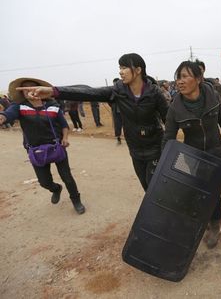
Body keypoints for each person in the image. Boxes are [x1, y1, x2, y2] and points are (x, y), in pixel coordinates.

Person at [17, 53, 169, 191]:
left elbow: (168, 119)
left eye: (124, 68)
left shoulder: (154, 93)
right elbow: (89, 92)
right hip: (135, 149)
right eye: (119, 68)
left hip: (155, 147)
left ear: (137, 70)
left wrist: (168, 145)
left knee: (154, 186)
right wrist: (53, 91)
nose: (120, 72)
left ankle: (161, 217)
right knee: (146, 186)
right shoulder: (118, 91)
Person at [162, 60, 221, 249]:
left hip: (215, 154)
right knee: (197, 192)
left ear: (198, 78)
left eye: (184, 76)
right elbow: (168, 137)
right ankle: (204, 220)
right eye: (178, 77)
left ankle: (215, 225)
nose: (179, 82)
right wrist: (163, 161)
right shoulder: (175, 107)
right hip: (193, 157)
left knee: (212, 192)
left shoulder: (212, 95)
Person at [0, 78, 85, 214]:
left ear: (39, 89)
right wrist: (2, 117)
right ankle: (56, 189)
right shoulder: (20, 107)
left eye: (32, 87)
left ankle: (76, 200)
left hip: (56, 147)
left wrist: (65, 138)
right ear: (22, 92)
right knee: (44, 182)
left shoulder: (53, 105)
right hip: (36, 150)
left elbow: (64, 125)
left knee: (67, 177)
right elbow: (8, 114)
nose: (29, 90)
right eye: (25, 88)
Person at [111, 78, 123, 145]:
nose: (115, 85)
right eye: (114, 84)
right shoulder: (112, 91)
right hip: (116, 112)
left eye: (116, 83)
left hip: (125, 112)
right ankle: (118, 139)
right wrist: (113, 107)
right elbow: (110, 100)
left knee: (127, 126)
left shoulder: (124, 90)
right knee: (117, 126)